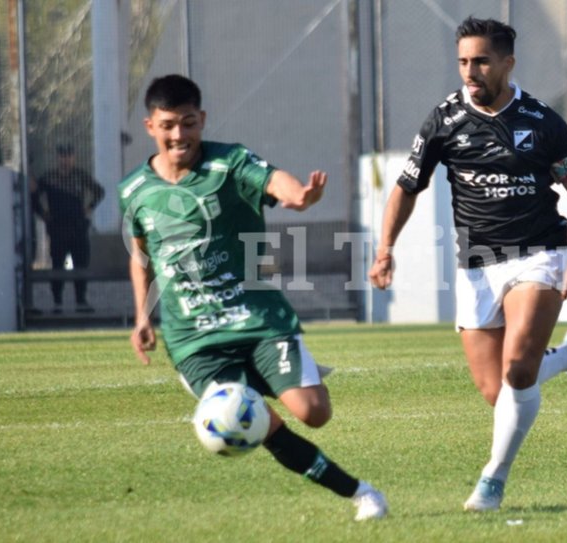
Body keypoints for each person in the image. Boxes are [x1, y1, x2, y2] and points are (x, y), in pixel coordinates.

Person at [120, 74, 387, 521]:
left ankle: (264, 374)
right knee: (256, 423)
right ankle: (363, 494)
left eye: (188, 123)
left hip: (256, 316)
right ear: (151, 126)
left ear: (202, 120)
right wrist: (141, 317)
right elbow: (142, 255)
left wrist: (298, 196)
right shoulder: (134, 191)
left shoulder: (229, 163)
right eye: (168, 125)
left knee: (315, 412)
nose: (178, 135)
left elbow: (272, 180)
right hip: (193, 338)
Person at [368, 17, 567, 512]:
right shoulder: (444, 120)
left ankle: (492, 482)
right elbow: (407, 187)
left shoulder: (543, 123)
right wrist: (385, 246)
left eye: (480, 61)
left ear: (506, 63)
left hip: (540, 253)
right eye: (463, 62)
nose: (470, 71)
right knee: (495, 392)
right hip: (476, 264)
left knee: (519, 371)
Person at [36, 143, 105, 313]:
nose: (65, 160)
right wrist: (43, 214)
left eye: (68, 156)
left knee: (81, 264)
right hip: (58, 228)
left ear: (73, 158)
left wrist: (89, 208)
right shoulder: (49, 178)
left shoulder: (80, 176)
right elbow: (34, 194)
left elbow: (99, 191)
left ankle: (81, 301)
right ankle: (57, 302)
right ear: (58, 158)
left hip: (78, 227)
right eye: (62, 156)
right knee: (57, 265)